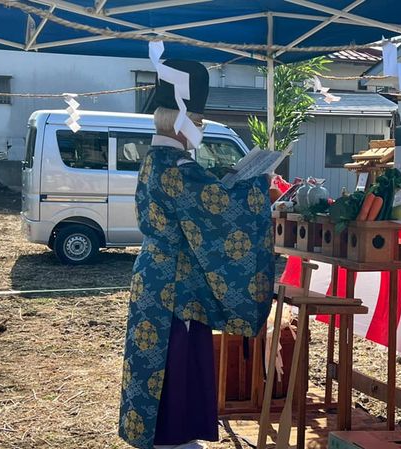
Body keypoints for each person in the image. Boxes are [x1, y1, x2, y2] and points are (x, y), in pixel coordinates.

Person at [118, 59, 275, 449]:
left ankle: (163, 434)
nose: (200, 131)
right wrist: (255, 187)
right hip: (176, 286)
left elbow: (205, 204)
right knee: (174, 360)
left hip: (156, 275)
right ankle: (173, 437)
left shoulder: (157, 160)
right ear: (184, 120)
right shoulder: (176, 167)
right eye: (199, 122)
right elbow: (219, 209)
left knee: (157, 358)